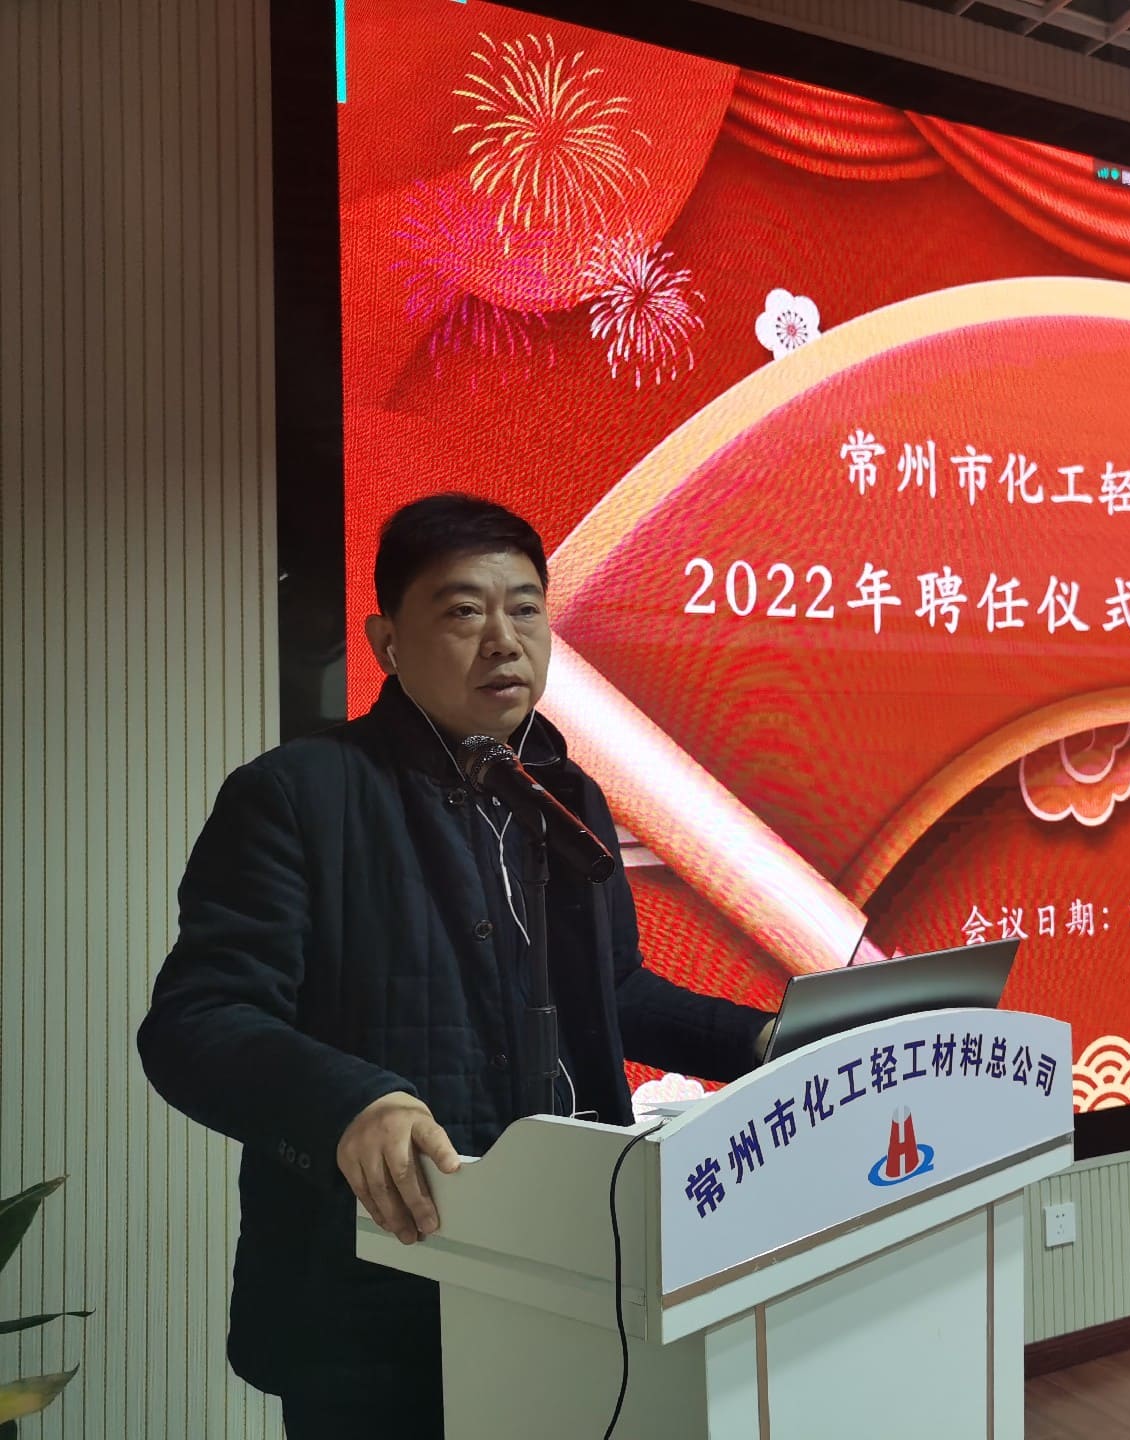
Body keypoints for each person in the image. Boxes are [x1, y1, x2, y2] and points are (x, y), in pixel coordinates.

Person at [137, 493, 773, 1438]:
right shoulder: (298, 794)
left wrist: (765, 1039)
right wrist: (351, 1101)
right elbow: (197, 1021)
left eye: (526, 608)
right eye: (465, 610)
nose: (504, 641)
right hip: (379, 1282)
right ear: (387, 641)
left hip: (569, 1265)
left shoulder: (565, 799)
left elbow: (612, 992)